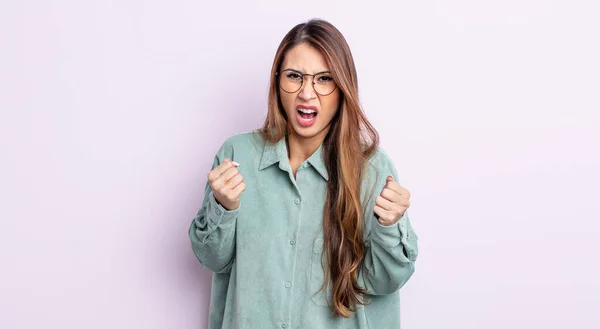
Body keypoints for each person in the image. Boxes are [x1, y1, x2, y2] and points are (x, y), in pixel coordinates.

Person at [189, 18, 419, 329]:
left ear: (342, 88)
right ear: (277, 81)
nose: (307, 93)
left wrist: (388, 226)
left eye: (324, 79)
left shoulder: (373, 169)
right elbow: (211, 259)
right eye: (294, 76)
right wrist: (223, 207)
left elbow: (386, 282)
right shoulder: (236, 155)